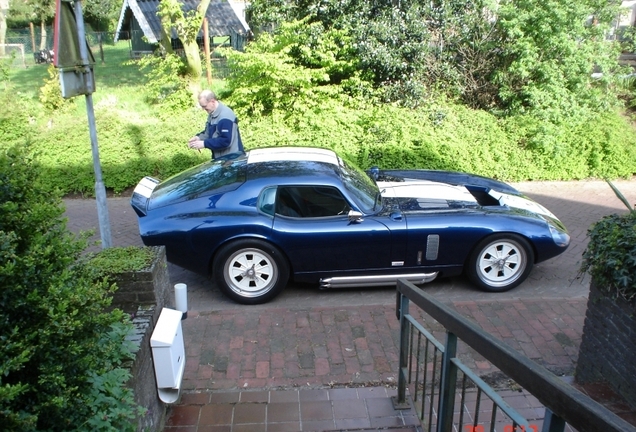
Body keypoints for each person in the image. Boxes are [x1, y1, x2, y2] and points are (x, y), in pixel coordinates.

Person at [188, 90, 244, 159]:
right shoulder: (212, 113)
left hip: (232, 159)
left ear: (212, 101)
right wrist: (198, 138)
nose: (203, 109)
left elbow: (226, 141)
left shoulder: (225, 116)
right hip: (220, 159)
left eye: (204, 106)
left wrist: (204, 144)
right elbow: (208, 133)